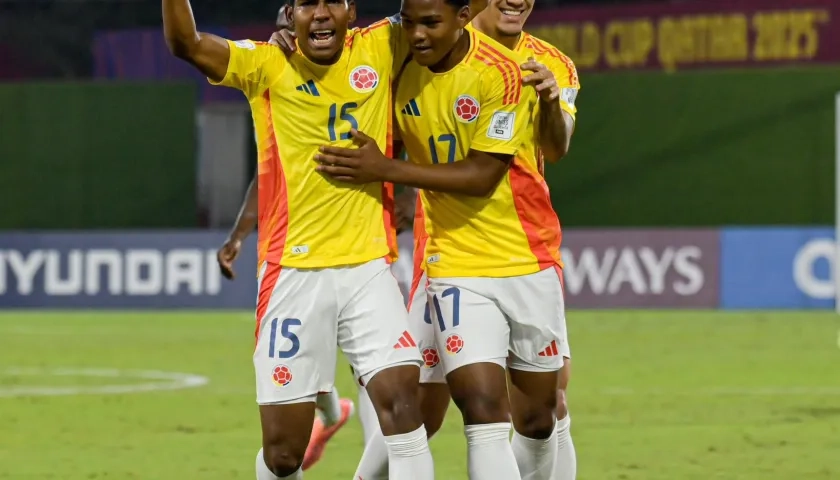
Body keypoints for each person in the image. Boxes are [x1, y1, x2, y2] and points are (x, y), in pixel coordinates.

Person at [161, 0, 436, 478]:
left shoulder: (383, 45)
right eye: (309, 3)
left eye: (334, 1)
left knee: (404, 415)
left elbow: (453, 9)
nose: (322, 13)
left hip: (368, 269)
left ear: (352, 11)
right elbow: (186, 43)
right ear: (291, 15)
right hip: (292, 276)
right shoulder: (266, 64)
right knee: (283, 454)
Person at [313, 0, 566, 477]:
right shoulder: (398, 66)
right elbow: (330, 50)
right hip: (455, 264)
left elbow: (483, 175)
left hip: (528, 256)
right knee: (483, 409)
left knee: (538, 419)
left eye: (430, 23)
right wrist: (289, 32)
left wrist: (387, 170)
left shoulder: (504, 74)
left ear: (464, 16)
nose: (418, 35)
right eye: (408, 23)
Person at [214, 8, 356, 473]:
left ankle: (334, 416)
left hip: (364, 249)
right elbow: (267, 177)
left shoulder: (361, 75)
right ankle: (332, 416)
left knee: (398, 400)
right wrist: (238, 236)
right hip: (292, 255)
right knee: (299, 366)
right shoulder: (276, 95)